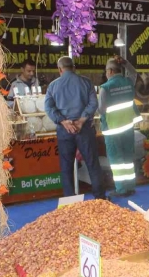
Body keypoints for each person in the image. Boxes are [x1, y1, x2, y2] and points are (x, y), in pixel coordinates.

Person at [44, 56, 106, 200]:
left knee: (66, 167)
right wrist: (81, 120)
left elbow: (48, 107)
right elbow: (93, 104)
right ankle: (100, 198)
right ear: (74, 67)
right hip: (84, 129)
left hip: (64, 130)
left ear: (59, 69)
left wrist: (63, 121)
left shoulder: (53, 86)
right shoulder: (86, 82)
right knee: (92, 163)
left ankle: (70, 202)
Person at [99, 57, 142, 198]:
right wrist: (126, 62)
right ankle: (130, 186)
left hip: (112, 129)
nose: (106, 74)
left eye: (106, 71)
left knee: (116, 160)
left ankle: (121, 189)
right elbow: (134, 73)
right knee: (128, 157)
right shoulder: (128, 82)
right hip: (127, 126)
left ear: (110, 71)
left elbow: (101, 109)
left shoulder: (105, 88)